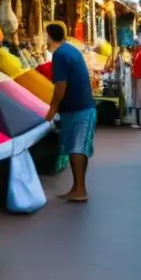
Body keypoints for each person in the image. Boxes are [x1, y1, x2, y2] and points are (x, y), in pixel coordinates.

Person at [44, 22, 96, 202]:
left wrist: (52, 108)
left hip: (79, 108)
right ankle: (77, 187)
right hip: (80, 107)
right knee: (78, 148)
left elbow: (61, 85)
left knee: (77, 148)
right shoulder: (70, 50)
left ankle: (80, 190)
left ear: (49, 36)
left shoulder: (59, 55)